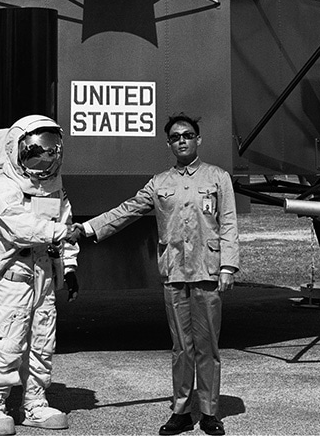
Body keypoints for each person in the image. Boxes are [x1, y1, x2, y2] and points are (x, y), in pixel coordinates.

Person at [70, 114, 238, 436]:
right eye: (176, 137)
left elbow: (228, 223)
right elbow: (128, 210)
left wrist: (228, 267)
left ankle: (209, 412)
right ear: (169, 143)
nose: (182, 140)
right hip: (174, 272)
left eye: (188, 135)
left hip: (208, 271)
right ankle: (181, 411)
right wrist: (88, 228)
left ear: (198, 139)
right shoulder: (159, 183)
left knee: (208, 346)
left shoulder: (218, 178)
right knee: (181, 347)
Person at [0, 115, 80, 435]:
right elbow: (21, 228)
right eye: (37, 151)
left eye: (51, 151)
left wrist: (71, 266)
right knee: (7, 342)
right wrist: (60, 231)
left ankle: (34, 401)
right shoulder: (3, 189)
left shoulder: (53, 190)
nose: (45, 158)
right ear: (16, 150)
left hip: (45, 278)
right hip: (14, 277)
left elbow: (66, 232)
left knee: (42, 343)